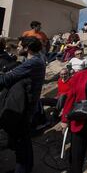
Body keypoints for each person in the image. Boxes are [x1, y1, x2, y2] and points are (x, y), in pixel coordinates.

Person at [0, 36, 46, 173]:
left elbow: (7, 78)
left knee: (20, 142)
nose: (18, 48)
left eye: (20, 46)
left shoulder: (34, 62)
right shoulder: (32, 60)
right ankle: (25, 167)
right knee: (23, 141)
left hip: (24, 108)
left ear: (27, 48)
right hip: (24, 106)